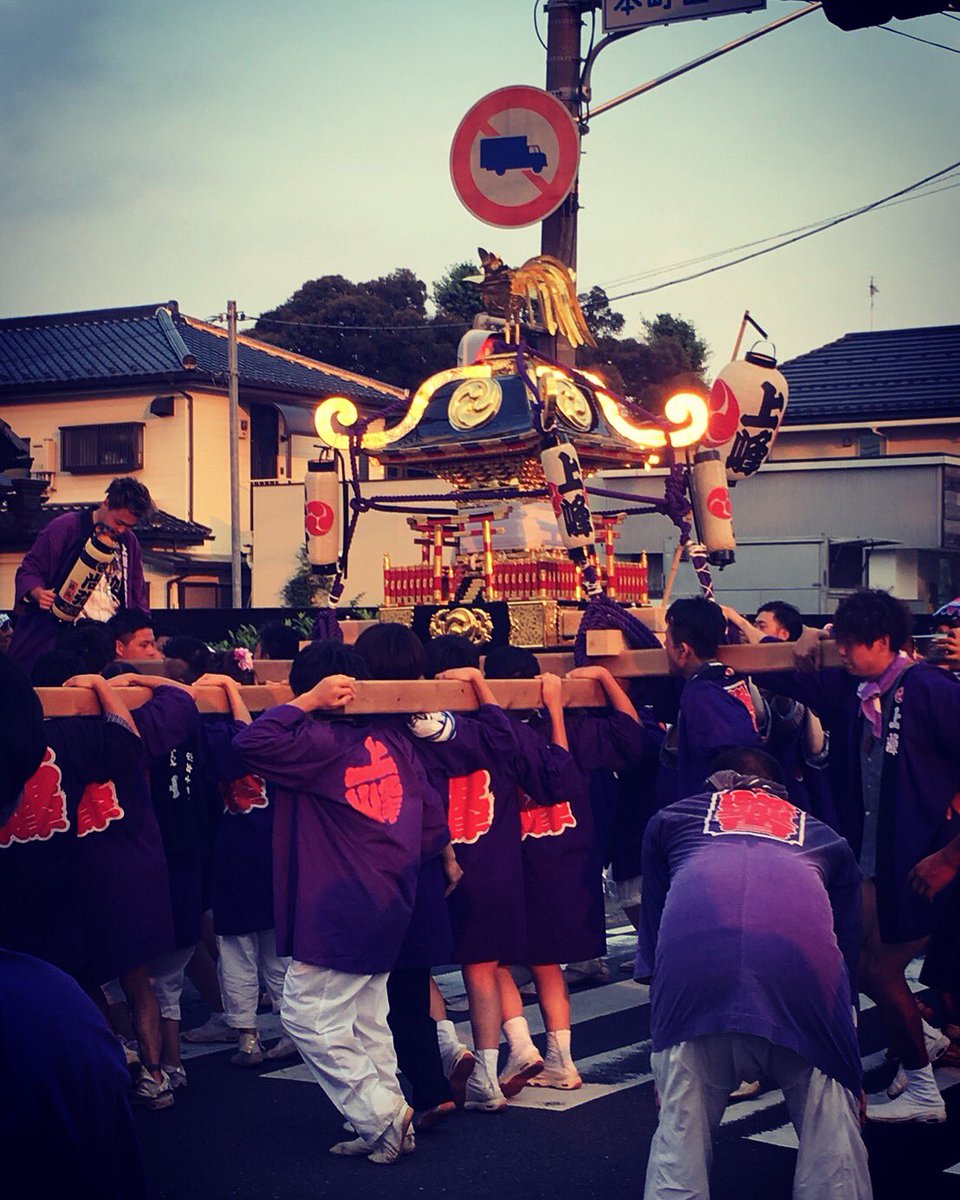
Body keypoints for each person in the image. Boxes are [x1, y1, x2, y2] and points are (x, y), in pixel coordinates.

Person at [638, 747, 870, 1200]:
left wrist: (663, 1058)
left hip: (696, 984)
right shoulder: (826, 838)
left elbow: (654, 944)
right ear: (782, 791)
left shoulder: (671, 820)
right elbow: (845, 958)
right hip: (803, 985)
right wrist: (850, 1068)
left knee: (679, 1142)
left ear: (711, 786)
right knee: (833, 1152)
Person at [233, 641, 435, 1164]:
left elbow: (252, 741)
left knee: (305, 1015)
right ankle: (390, 1122)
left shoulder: (317, 741)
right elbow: (431, 813)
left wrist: (306, 703)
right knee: (367, 1016)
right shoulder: (394, 740)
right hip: (390, 891)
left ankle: (379, 1113)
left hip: (341, 899)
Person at [763, 588, 960, 1122]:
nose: (842, 652)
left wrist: (949, 858)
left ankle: (924, 1086)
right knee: (856, 958)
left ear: (883, 642)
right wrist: (784, 649)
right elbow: (778, 674)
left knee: (878, 967)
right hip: (878, 860)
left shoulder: (930, 690)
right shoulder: (860, 692)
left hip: (930, 862)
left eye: (850, 644)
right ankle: (924, 1045)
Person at [9, 476, 153, 673]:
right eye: (119, 522)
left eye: (129, 526)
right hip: (62, 635)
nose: (121, 530)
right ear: (106, 503)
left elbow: (136, 590)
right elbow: (30, 569)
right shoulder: (65, 527)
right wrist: (38, 592)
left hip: (107, 638)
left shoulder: (129, 542)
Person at [662, 596, 761, 799]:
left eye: (667, 645)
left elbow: (736, 758)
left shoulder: (702, 695)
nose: (665, 652)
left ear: (683, 650)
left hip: (718, 811)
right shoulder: (729, 678)